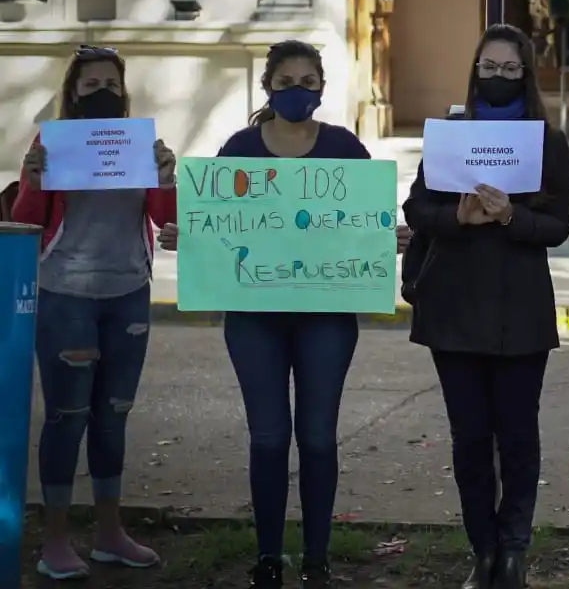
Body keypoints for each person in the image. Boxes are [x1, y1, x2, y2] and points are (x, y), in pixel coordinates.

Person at [156, 40, 410, 589]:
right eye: (287, 80)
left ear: (322, 87)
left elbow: (365, 224)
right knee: (269, 437)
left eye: (308, 81)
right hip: (254, 317)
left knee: (318, 437)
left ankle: (317, 558)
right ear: (268, 86)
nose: (298, 90)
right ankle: (268, 558)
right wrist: (189, 237)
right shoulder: (240, 148)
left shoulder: (345, 149)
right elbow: (220, 226)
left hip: (327, 317)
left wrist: (388, 238)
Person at [403, 24, 569, 589]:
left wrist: (508, 217)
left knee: (518, 436)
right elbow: (418, 207)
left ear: (526, 74)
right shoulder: (452, 132)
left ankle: (514, 551)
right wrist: (457, 218)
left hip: (520, 311)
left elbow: (558, 226)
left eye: (509, 69)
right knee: (470, 438)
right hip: (452, 306)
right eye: (488, 67)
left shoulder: (548, 140)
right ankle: (482, 548)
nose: (497, 78)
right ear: (474, 70)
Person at [11, 45, 177, 580]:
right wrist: (34, 181)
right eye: (90, 86)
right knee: (66, 418)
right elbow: (24, 222)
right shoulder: (50, 144)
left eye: (111, 83)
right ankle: (55, 540)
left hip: (129, 291)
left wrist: (167, 177)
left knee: (113, 417)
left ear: (123, 91)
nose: (102, 92)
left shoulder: (138, 145)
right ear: (73, 95)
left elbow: (165, 218)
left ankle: (110, 534)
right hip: (65, 295)